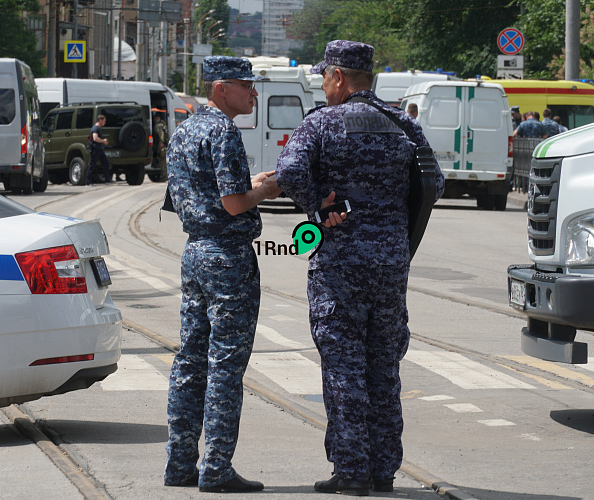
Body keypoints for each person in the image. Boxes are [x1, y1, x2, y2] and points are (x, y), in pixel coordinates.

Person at [275, 40, 444, 496]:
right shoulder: (402, 124)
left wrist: (317, 205)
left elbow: (289, 170)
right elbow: (434, 182)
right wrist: (393, 222)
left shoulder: (321, 123)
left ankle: (351, 470)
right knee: (384, 367)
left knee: (344, 368)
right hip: (391, 264)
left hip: (341, 265)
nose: (324, 85)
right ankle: (384, 469)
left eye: (325, 77)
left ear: (339, 77)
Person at [163, 55, 282, 493]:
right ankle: (216, 469)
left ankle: (179, 464)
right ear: (220, 89)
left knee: (190, 362)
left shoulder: (187, 131)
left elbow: (197, 192)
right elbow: (234, 203)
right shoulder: (224, 131)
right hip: (227, 259)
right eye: (244, 85)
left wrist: (247, 183)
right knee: (226, 366)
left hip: (195, 253)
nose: (253, 93)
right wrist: (265, 189)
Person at [86, 114, 112, 185]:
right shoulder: (95, 128)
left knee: (106, 163)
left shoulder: (98, 128)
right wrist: (103, 141)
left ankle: (107, 180)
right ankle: (88, 182)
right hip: (95, 149)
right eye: (104, 121)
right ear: (100, 120)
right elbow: (95, 138)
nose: (105, 122)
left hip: (99, 150)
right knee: (92, 165)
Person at [152, 112, 169, 182]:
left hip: (162, 145)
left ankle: (164, 176)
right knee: (164, 161)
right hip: (165, 145)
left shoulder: (158, 125)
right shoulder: (163, 124)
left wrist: (161, 142)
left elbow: (161, 134)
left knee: (162, 161)